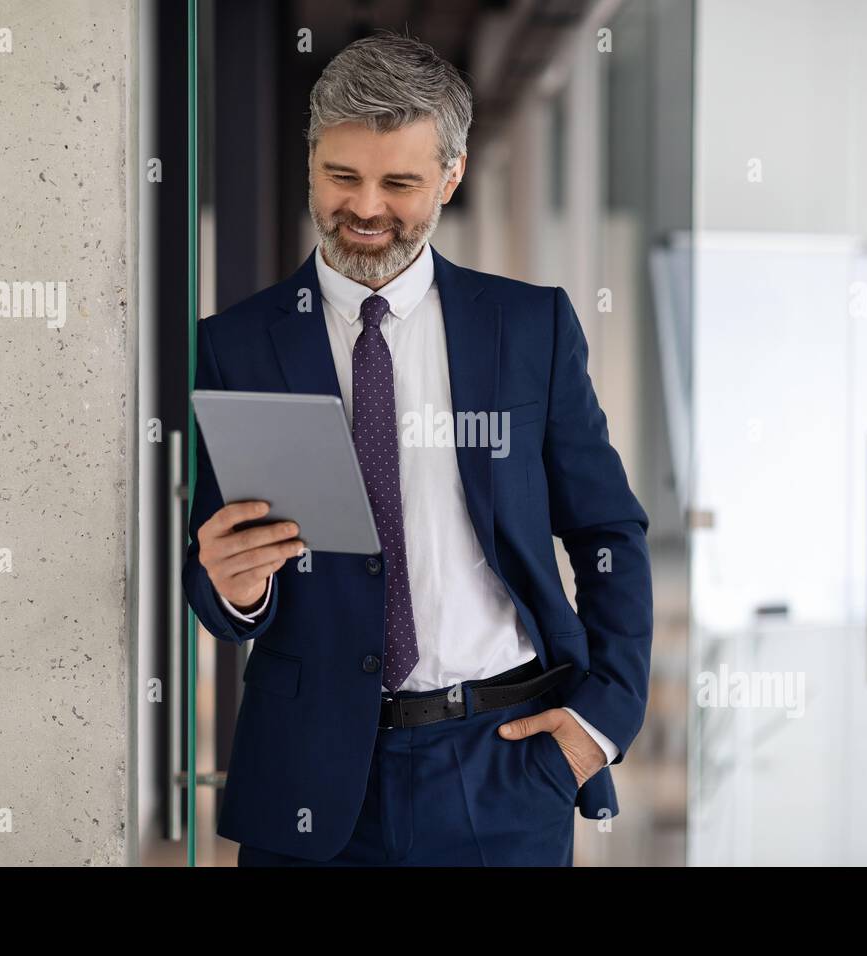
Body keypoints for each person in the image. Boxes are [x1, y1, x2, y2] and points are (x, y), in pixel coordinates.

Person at [182, 29, 653, 867]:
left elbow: (608, 531)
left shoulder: (528, 328)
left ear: (451, 175)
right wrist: (230, 586)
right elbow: (218, 568)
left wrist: (599, 723)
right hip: (308, 776)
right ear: (312, 160)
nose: (365, 208)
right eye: (341, 176)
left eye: (399, 182)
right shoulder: (238, 342)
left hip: (504, 761)